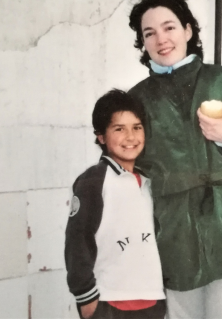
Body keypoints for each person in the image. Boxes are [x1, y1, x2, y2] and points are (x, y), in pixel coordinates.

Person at [128, 0, 222, 319]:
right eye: (149, 33)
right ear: (143, 43)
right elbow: (127, 167)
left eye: (169, 27)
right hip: (176, 235)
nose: (161, 39)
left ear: (187, 30)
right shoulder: (137, 100)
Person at [65, 89, 166, 319]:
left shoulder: (150, 182)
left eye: (137, 127)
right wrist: (86, 297)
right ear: (101, 136)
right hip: (109, 303)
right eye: (119, 129)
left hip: (152, 301)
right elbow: (77, 241)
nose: (131, 137)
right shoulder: (94, 181)